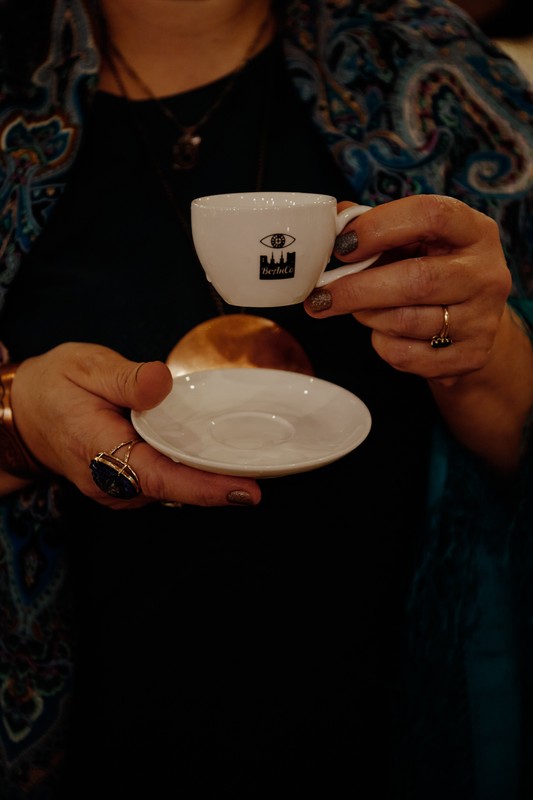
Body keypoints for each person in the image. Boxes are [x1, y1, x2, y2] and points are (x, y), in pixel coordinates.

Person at [1, 0, 532, 797]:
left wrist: (482, 353)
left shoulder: (437, 70)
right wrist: (16, 423)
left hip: (391, 718)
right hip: (74, 736)